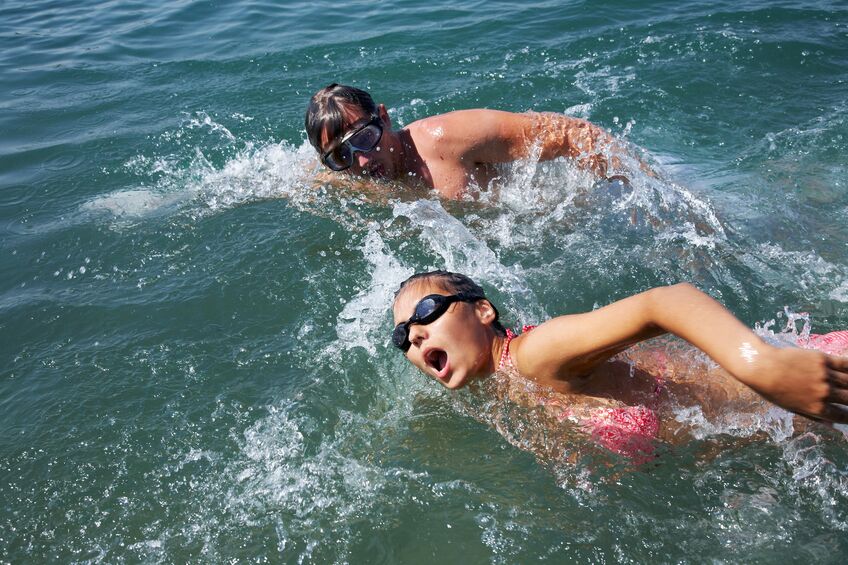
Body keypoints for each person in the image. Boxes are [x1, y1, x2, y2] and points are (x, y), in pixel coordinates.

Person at [391, 270, 848, 459]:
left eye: (427, 311)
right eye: (402, 336)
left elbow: (665, 302)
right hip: (801, 426)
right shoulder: (504, 390)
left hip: (819, 381)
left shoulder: (535, 355)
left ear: (484, 311)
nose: (414, 333)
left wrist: (762, 366)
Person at [305, 83, 631, 199]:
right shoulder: (351, 177)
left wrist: (635, 187)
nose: (361, 161)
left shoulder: (447, 139)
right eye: (341, 156)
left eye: (365, 138)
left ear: (384, 118)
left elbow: (572, 133)